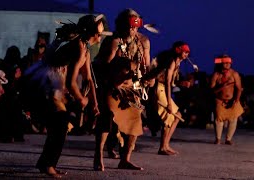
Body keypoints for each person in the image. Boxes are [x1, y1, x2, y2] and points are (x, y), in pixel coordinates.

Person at [24, 14, 108, 178]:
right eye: (98, 33)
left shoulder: (85, 49)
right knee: (60, 124)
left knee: (60, 125)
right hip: (48, 83)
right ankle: (48, 165)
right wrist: (80, 99)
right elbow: (70, 82)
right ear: (91, 32)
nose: (100, 36)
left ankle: (46, 163)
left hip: (56, 84)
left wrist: (95, 104)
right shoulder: (78, 47)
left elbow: (89, 79)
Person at [93, 8, 153, 171]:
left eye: (134, 26)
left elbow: (146, 66)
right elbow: (103, 65)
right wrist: (122, 68)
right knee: (107, 120)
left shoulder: (143, 42)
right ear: (121, 25)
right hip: (112, 87)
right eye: (128, 26)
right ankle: (98, 156)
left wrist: (149, 78)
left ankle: (125, 159)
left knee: (135, 124)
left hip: (132, 89)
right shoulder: (113, 41)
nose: (131, 30)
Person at [144, 41, 190, 155]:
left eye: (187, 53)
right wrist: (169, 102)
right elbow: (168, 82)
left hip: (163, 89)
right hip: (159, 89)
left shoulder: (177, 63)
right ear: (178, 51)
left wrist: (182, 83)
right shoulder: (171, 61)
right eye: (184, 52)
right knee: (169, 117)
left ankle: (166, 144)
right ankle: (162, 147)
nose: (186, 55)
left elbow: (172, 81)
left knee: (177, 116)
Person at [210, 55, 243, 145]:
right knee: (218, 120)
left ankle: (228, 139)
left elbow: (239, 88)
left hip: (232, 100)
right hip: (219, 100)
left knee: (233, 119)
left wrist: (236, 100)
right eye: (225, 63)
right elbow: (212, 90)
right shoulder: (216, 75)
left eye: (229, 63)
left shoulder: (234, 74)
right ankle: (218, 139)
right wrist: (223, 86)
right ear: (221, 63)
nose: (228, 65)